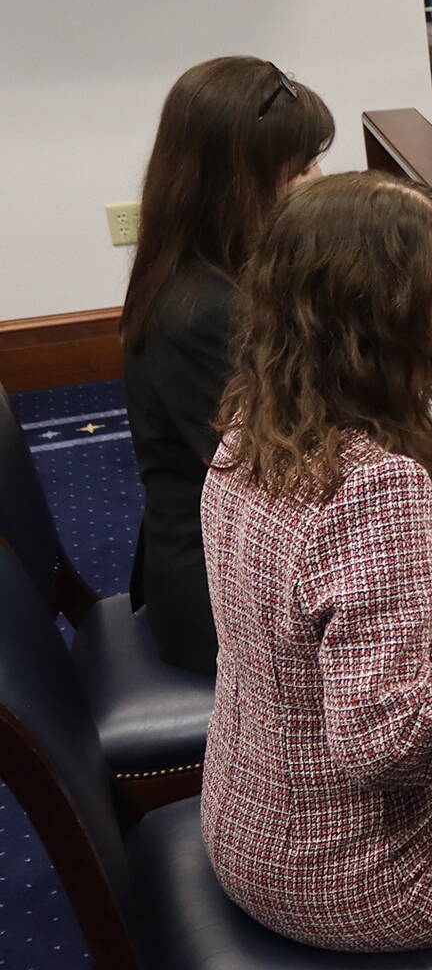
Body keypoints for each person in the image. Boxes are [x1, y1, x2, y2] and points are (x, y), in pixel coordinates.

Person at [200, 171, 432, 953]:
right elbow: (393, 747)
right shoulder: (376, 486)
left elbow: (303, 598)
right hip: (363, 872)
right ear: (373, 319)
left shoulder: (251, 420)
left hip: (252, 821)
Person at [120, 57, 332, 675]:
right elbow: (292, 484)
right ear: (235, 183)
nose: (320, 182)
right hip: (222, 595)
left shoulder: (216, 266)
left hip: (243, 554)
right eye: (300, 171)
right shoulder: (206, 311)